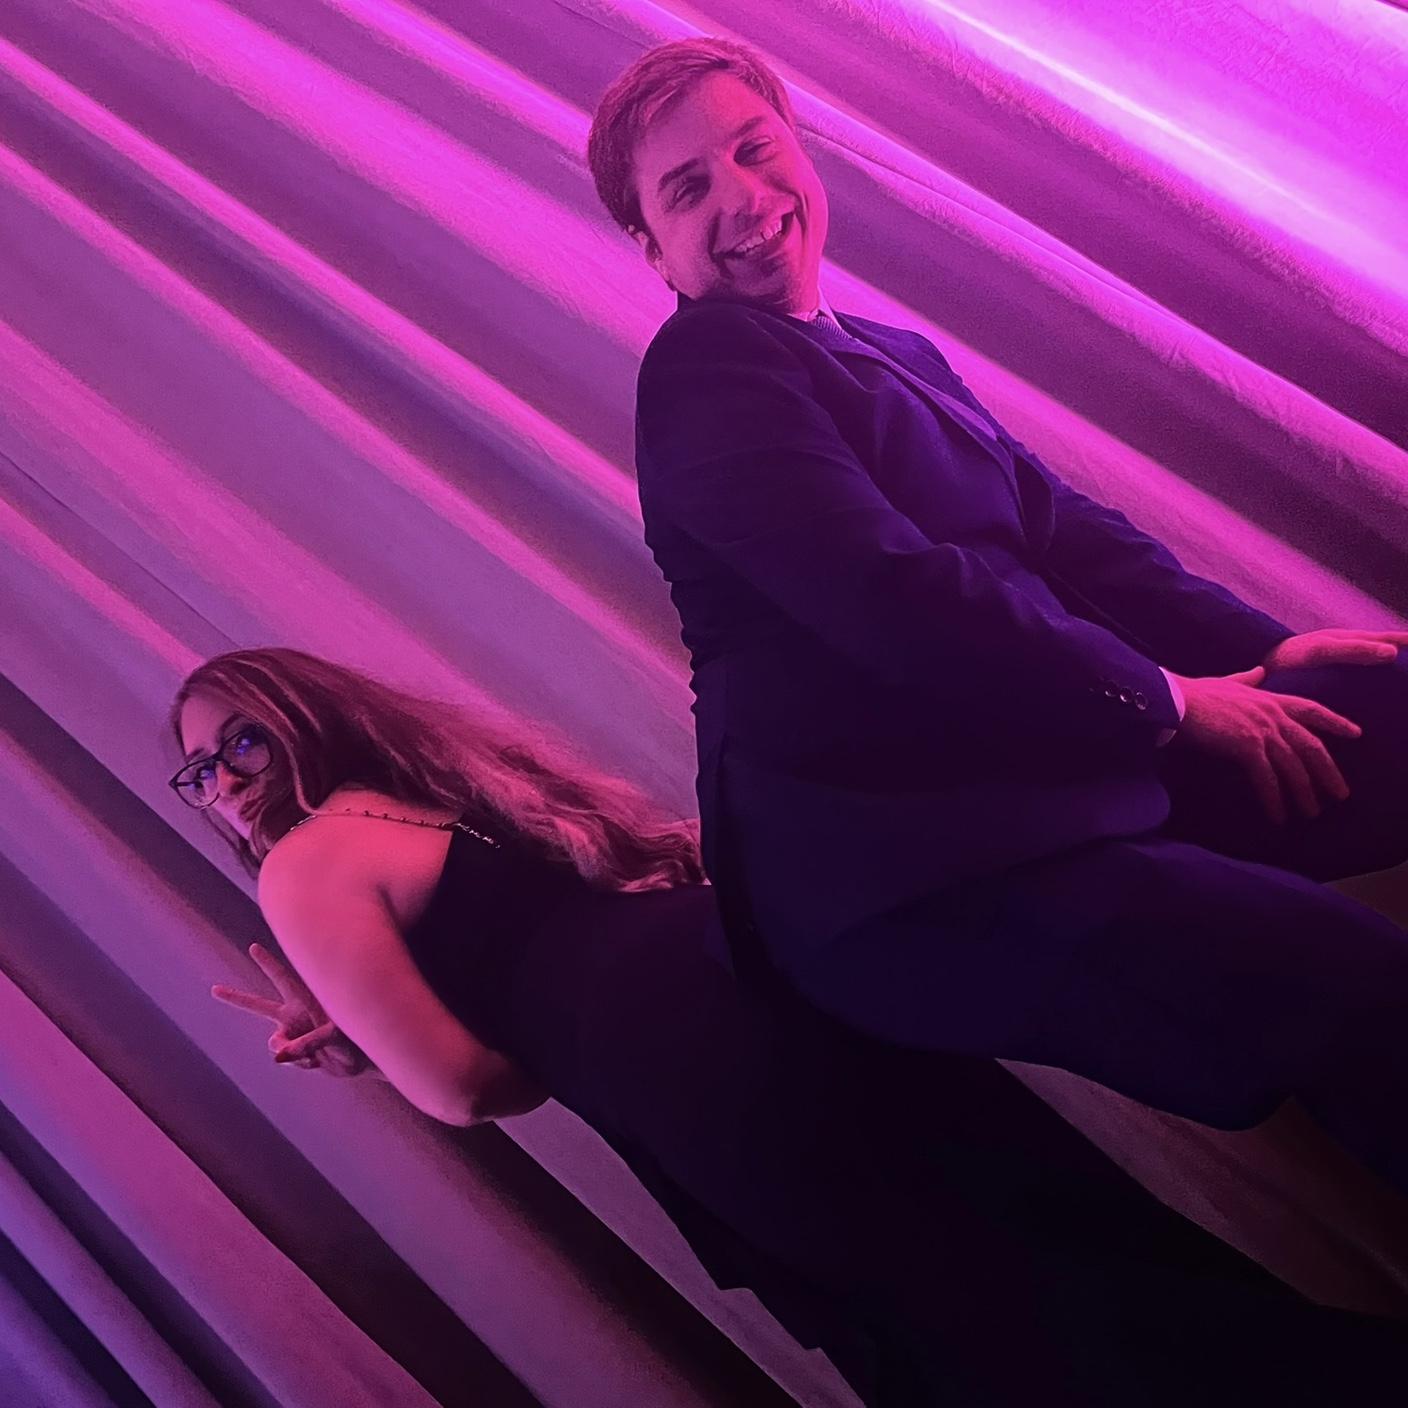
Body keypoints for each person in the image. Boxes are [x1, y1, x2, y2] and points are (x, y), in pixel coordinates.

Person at [587, 37, 1408, 1195]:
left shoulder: (892, 352)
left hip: (1039, 764)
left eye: (752, 150)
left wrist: (1262, 650)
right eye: (687, 189)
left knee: (1385, 705)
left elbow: (1066, 533)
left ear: (798, 151)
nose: (742, 198)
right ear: (651, 246)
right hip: (915, 873)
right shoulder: (703, 370)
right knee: (1348, 983)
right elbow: (897, 596)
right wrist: (1173, 701)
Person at [169, 647, 1408, 1405]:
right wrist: (372, 1021)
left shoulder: (304, 863)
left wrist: (379, 1043)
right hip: (775, 988)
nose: (223, 779)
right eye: (200, 772)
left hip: (690, 1075)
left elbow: (472, 1086)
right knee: (1068, 1245)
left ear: (306, 717)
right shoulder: (454, 794)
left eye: (240, 739)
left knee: (1012, 1331)